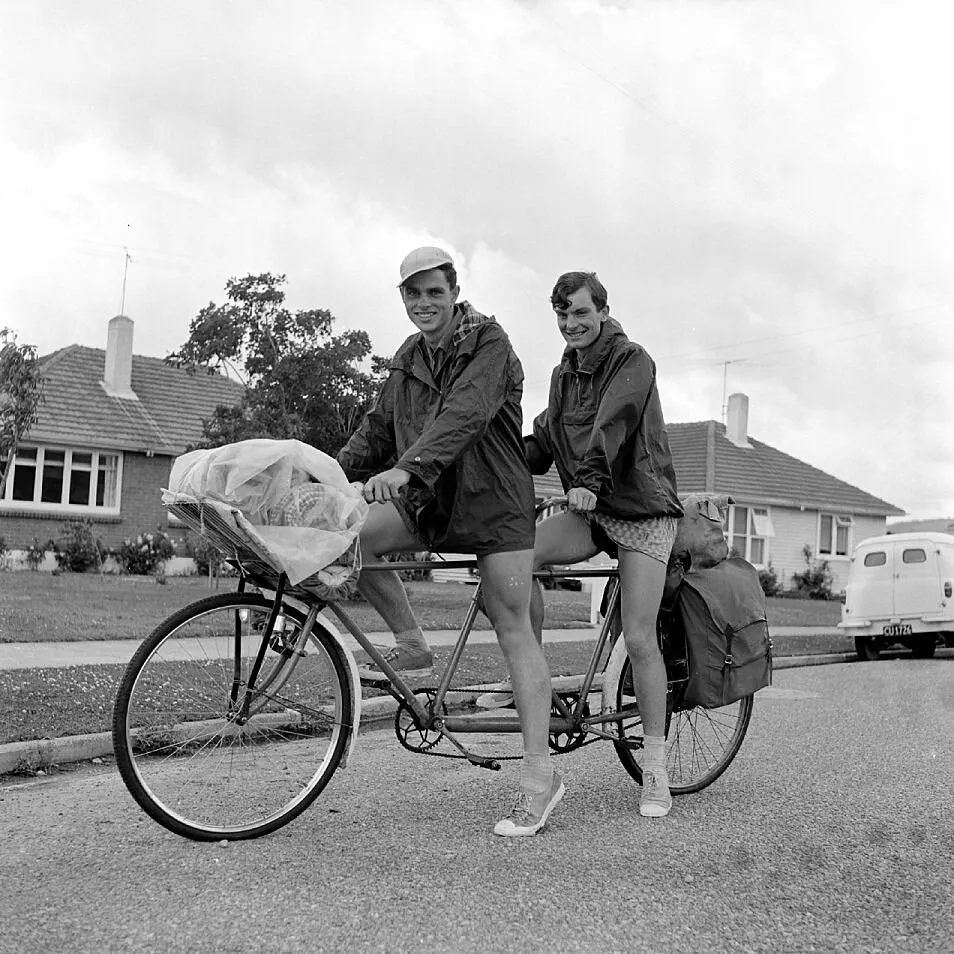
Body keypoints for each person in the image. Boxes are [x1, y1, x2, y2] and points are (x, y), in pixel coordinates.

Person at [336, 246, 563, 837]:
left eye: (434, 292)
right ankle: (411, 643)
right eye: (412, 295)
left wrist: (407, 470)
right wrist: (331, 476)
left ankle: (540, 780)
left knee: (510, 624)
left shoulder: (489, 342)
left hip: (493, 502)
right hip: (430, 498)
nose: (423, 304)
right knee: (347, 538)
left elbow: (464, 414)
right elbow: (377, 427)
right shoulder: (409, 357)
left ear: (454, 290)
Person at [480, 270, 683, 819]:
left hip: (641, 510)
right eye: (562, 315)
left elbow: (613, 424)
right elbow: (545, 439)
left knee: (639, 637)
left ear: (602, 310)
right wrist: (491, 462)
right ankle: (530, 677)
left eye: (580, 313)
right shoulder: (562, 374)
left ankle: (657, 768)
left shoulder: (632, 360)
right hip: (590, 510)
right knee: (517, 556)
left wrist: (590, 481)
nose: (571, 324)